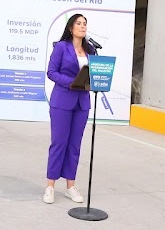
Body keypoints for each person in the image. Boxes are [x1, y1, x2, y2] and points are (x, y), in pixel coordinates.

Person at [43, 13, 95, 204]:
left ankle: (70, 187)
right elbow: (51, 72)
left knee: (74, 145)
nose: (82, 26)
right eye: (79, 23)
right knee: (59, 143)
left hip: (82, 103)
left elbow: (94, 73)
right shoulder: (61, 47)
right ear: (71, 27)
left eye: (85, 24)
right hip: (62, 101)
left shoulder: (90, 50)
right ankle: (50, 186)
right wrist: (72, 82)